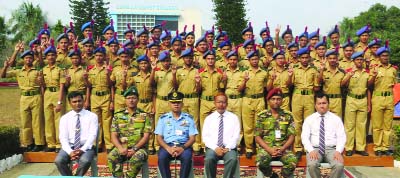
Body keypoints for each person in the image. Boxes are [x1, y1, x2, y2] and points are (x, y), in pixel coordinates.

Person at [1, 48, 45, 152]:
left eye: (30, 58)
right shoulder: (18, 71)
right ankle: (28, 143)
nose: (28, 59)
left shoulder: (37, 71)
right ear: (23, 59)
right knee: (26, 122)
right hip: (24, 98)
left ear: (33, 59)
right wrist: (5, 66)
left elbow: (43, 84)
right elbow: (3, 76)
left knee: (37, 122)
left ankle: (39, 144)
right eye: (26, 58)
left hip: (36, 97)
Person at [107, 86, 152, 178]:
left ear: (138, 100)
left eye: (134, 98)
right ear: (125, 100)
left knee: (137, 158)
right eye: (128, 98)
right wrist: (120, 148)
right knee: (111, 156)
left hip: (140, 149)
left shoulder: (144, 115)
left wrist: (135, 149)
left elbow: (146, 136)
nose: (131, 100)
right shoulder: (118, 115)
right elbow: (114, 135)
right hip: (122, 147)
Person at [301, 93, 346, 178]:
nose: (322, 106)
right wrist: (311, 150)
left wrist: (338, 151)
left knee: (339, 165)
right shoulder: (309, 119)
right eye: (319, 103)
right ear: (315, 105)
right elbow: (304, 137)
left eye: (324, 103)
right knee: (312, 165)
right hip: (315, 149)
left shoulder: (336, 119)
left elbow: (341, 136)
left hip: (332, 149)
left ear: (328, 104)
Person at [255, 88, 297, 178]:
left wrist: (282, 148)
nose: (276, 101)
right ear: (268, 101)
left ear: (282, 101)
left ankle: (282, 176)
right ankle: (272, 175)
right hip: (266, 149)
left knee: (292, 161)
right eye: (273, 99)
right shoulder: (262, 116)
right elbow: (257, 137)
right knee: (260, 162)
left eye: (278, 99)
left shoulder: (288, 116)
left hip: (283, 148)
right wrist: (269, 149)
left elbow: (292, 136)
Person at [155, 91, 198, 178]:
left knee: (187, 158)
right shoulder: (163, 118)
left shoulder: (188, 118)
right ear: (169, 104)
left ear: (182, 104)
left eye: (178, 102)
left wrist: (182, 148)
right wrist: (168, 148)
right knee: (162, 158)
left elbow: (192, 138)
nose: (176, 104)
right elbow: (159, 138)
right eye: (173, 102)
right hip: (167, 145)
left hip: (184, 146)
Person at [55, 91, 98, 176]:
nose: (77, 104)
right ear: (70, 103)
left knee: (85, 160)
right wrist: (70, 151)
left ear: (83, 101)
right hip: (69, 146)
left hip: (86, 147)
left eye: (79, 101)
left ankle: (78, 177)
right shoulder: (65, 118)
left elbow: (92, 135)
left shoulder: (92, 116)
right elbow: (63, 138)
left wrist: (82, 150)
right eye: (74, 102)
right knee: (59, 161)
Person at [288, 46, 320, 159]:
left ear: (309, 58)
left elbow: (317, 87)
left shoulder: (314, 70)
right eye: (303, 58)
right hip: (297, 96)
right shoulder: (295, 69)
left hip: (310, 97)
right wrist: (290, 75)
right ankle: (297, 148)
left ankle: (308, 147)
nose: (305, 60)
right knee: (297, 123)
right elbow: (289, 85)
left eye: (307, 57)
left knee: (309, 123)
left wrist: (320, 76)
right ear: (299, 58)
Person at [368, 42, 398, 156]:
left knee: (387, 125)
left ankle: (385, 147)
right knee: (377, 125)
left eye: (387, 56)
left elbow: (394, 84)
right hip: (378, 97)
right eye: (383, 56)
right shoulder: (374, 69)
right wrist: (374, 75)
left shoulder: (393, 70)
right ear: (379, 57)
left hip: (389, 97)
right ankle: (377, 147)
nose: (385, 57)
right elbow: (369, 84)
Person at [202, 92, 240, 178]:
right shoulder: (209, 118)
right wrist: (216, 148)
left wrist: (228, 147)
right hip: (213, 148)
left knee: (232, 159)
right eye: (218, 102)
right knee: (209, 159)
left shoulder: (234, 118)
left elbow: (236, 136)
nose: (221, 104)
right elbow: (205, 137)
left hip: (229, 148)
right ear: (214, 103)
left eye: (223, 102)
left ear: (227, 104)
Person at [341, 51, 370, 156]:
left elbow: (368, 89)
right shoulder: (349, 71)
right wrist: (349, 75)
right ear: (353, 61)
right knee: (349, 125)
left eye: (361, 59)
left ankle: (360, 147)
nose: (359, 61)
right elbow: (342, 84)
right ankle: (349, 148)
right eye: (357, 59)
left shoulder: (367, 72)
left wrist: (369, 104)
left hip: (363, 100)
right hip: (351, 99)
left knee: (361, 125)